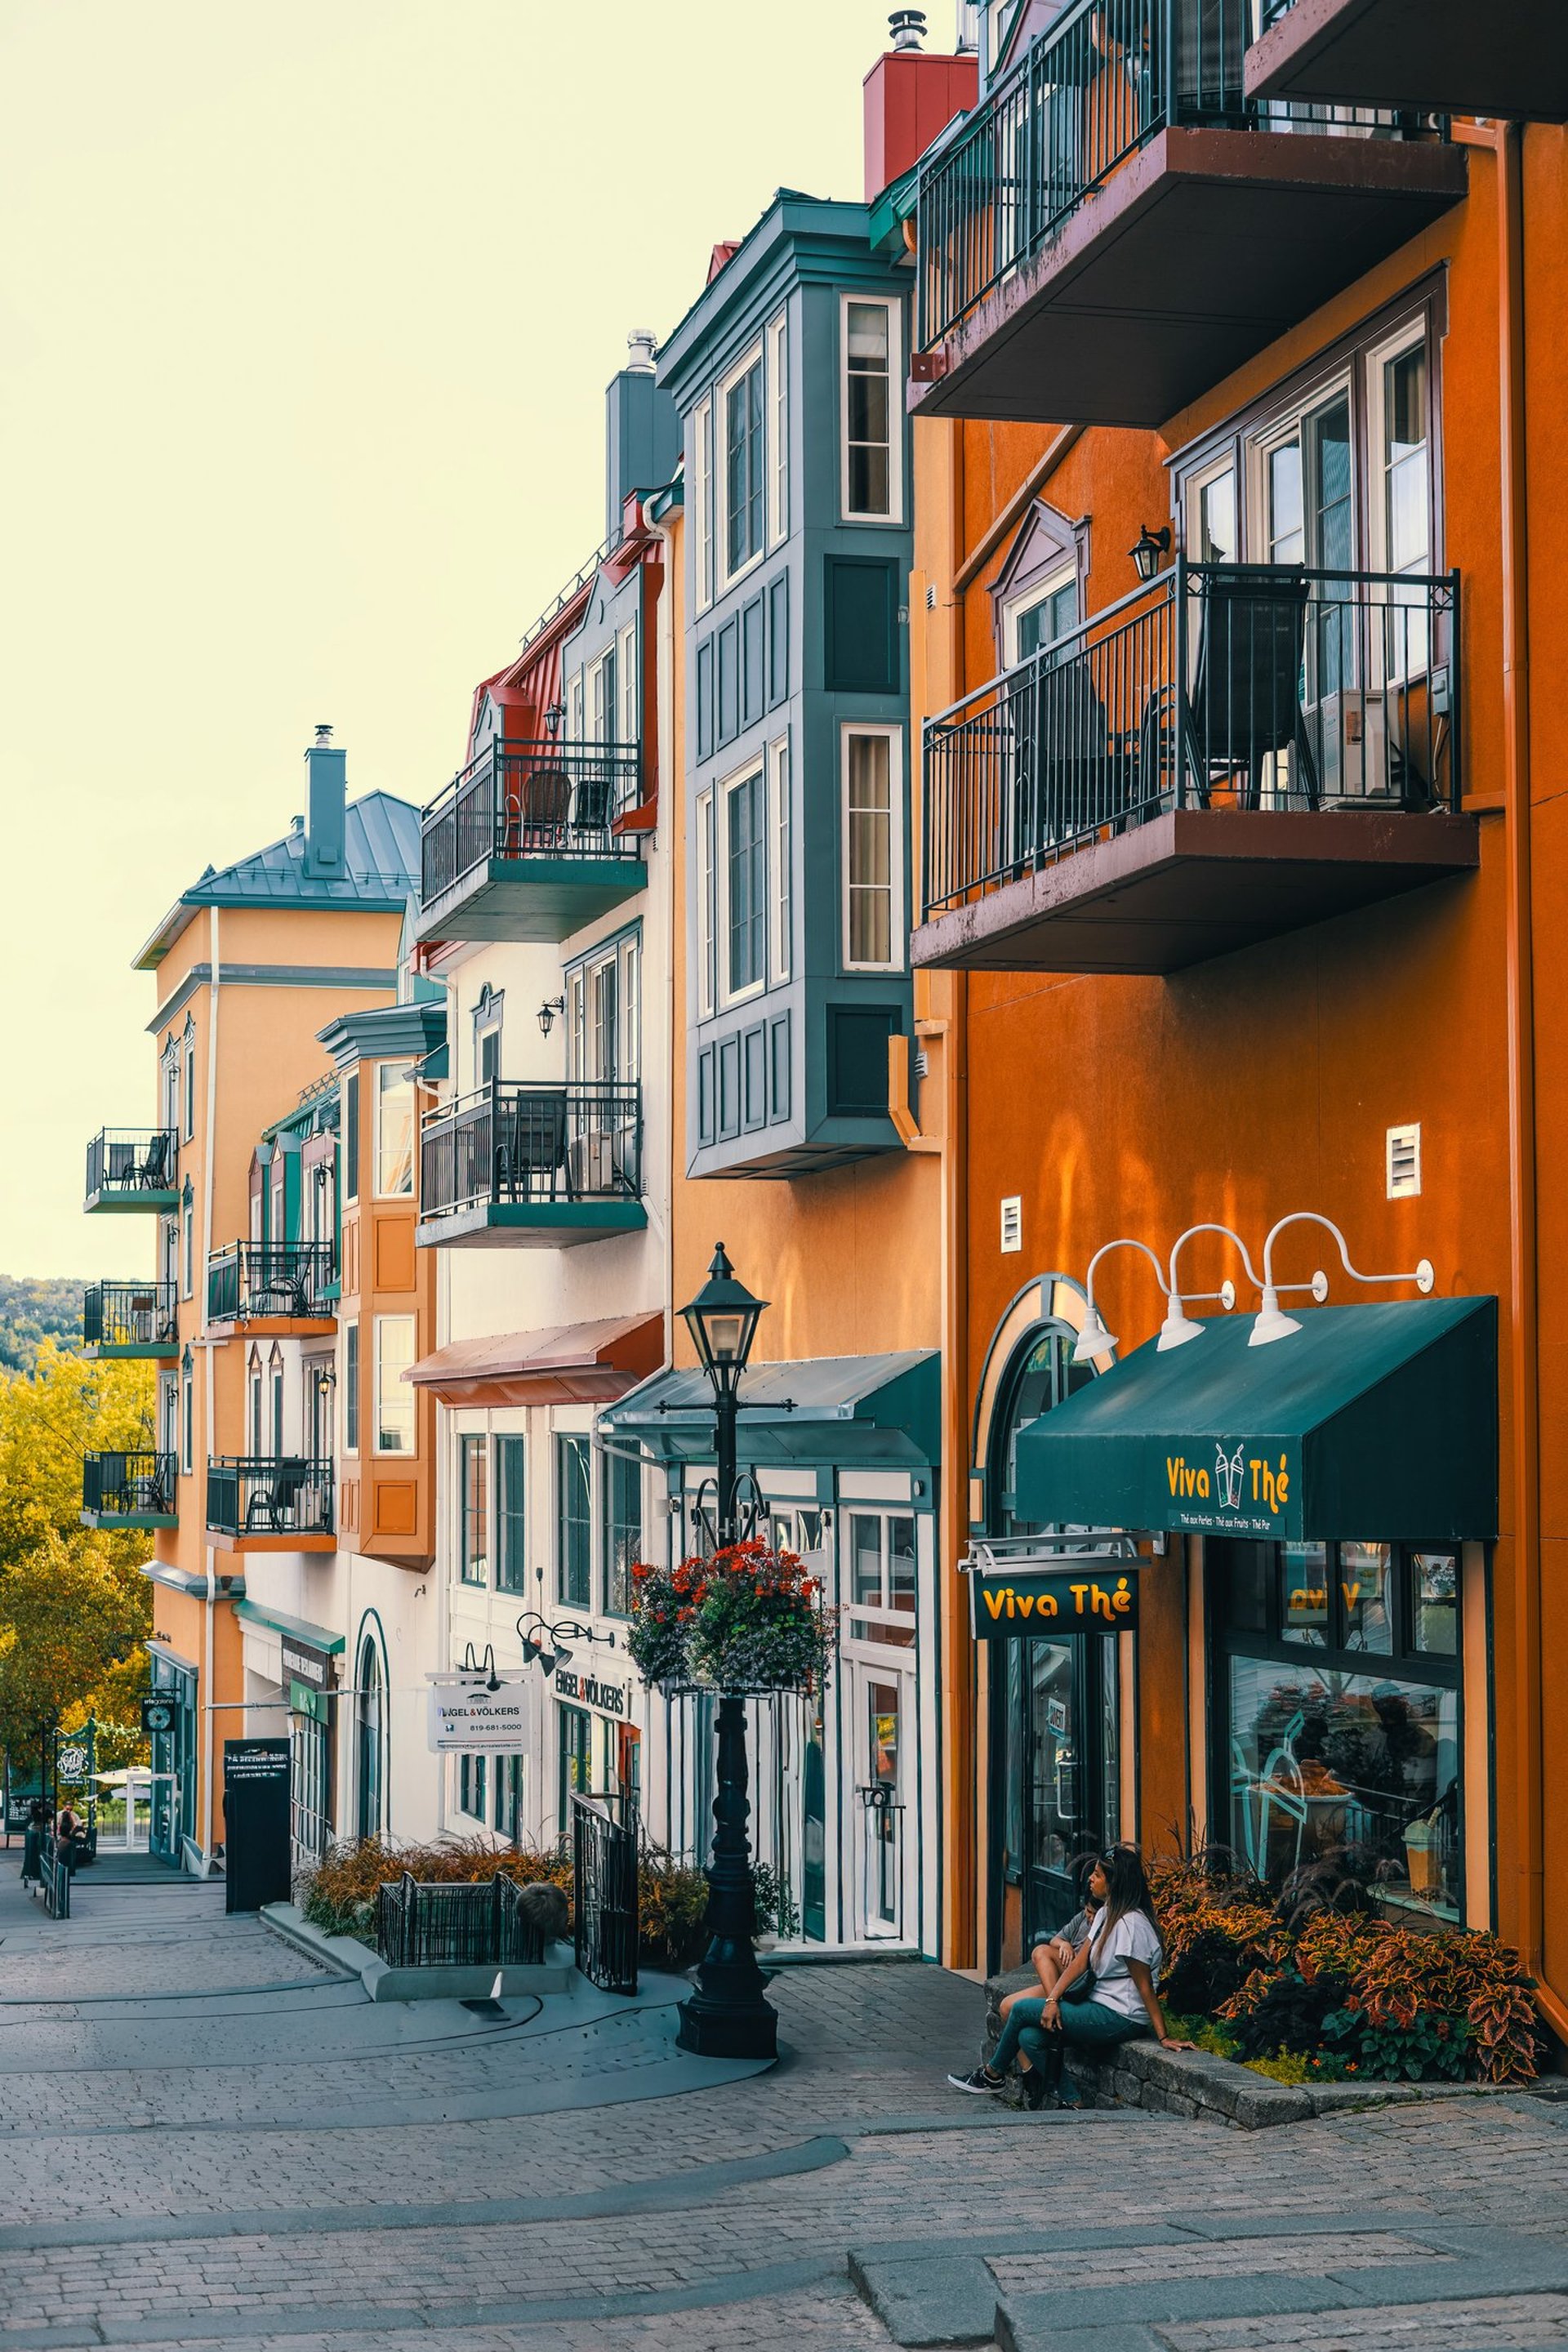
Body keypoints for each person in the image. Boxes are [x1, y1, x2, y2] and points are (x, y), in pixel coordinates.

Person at [948, 1846, 1194, 2109]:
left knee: (1019, 2010)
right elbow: (1079, 1963)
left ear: (1114, 1884)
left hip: (1121, 2016)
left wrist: (1163, 2036)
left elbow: (1145, 1987)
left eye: (1098, 1875)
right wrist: (1053, 1999)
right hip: (1096, 2005)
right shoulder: (1105, 1914)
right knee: (1029, 2038)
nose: (1091, 1878)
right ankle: (1072, 2099)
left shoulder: (1131, 1926)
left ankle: (992, 2075)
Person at [20, 1800, 47, 1888]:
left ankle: (27, 1876)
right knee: (36, 1857)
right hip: (35, 1837)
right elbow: (40, 1827)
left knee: (29, 1858)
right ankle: (37, 1875)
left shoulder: (30, 1818)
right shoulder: (39, 1816)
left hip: (29, 1837)